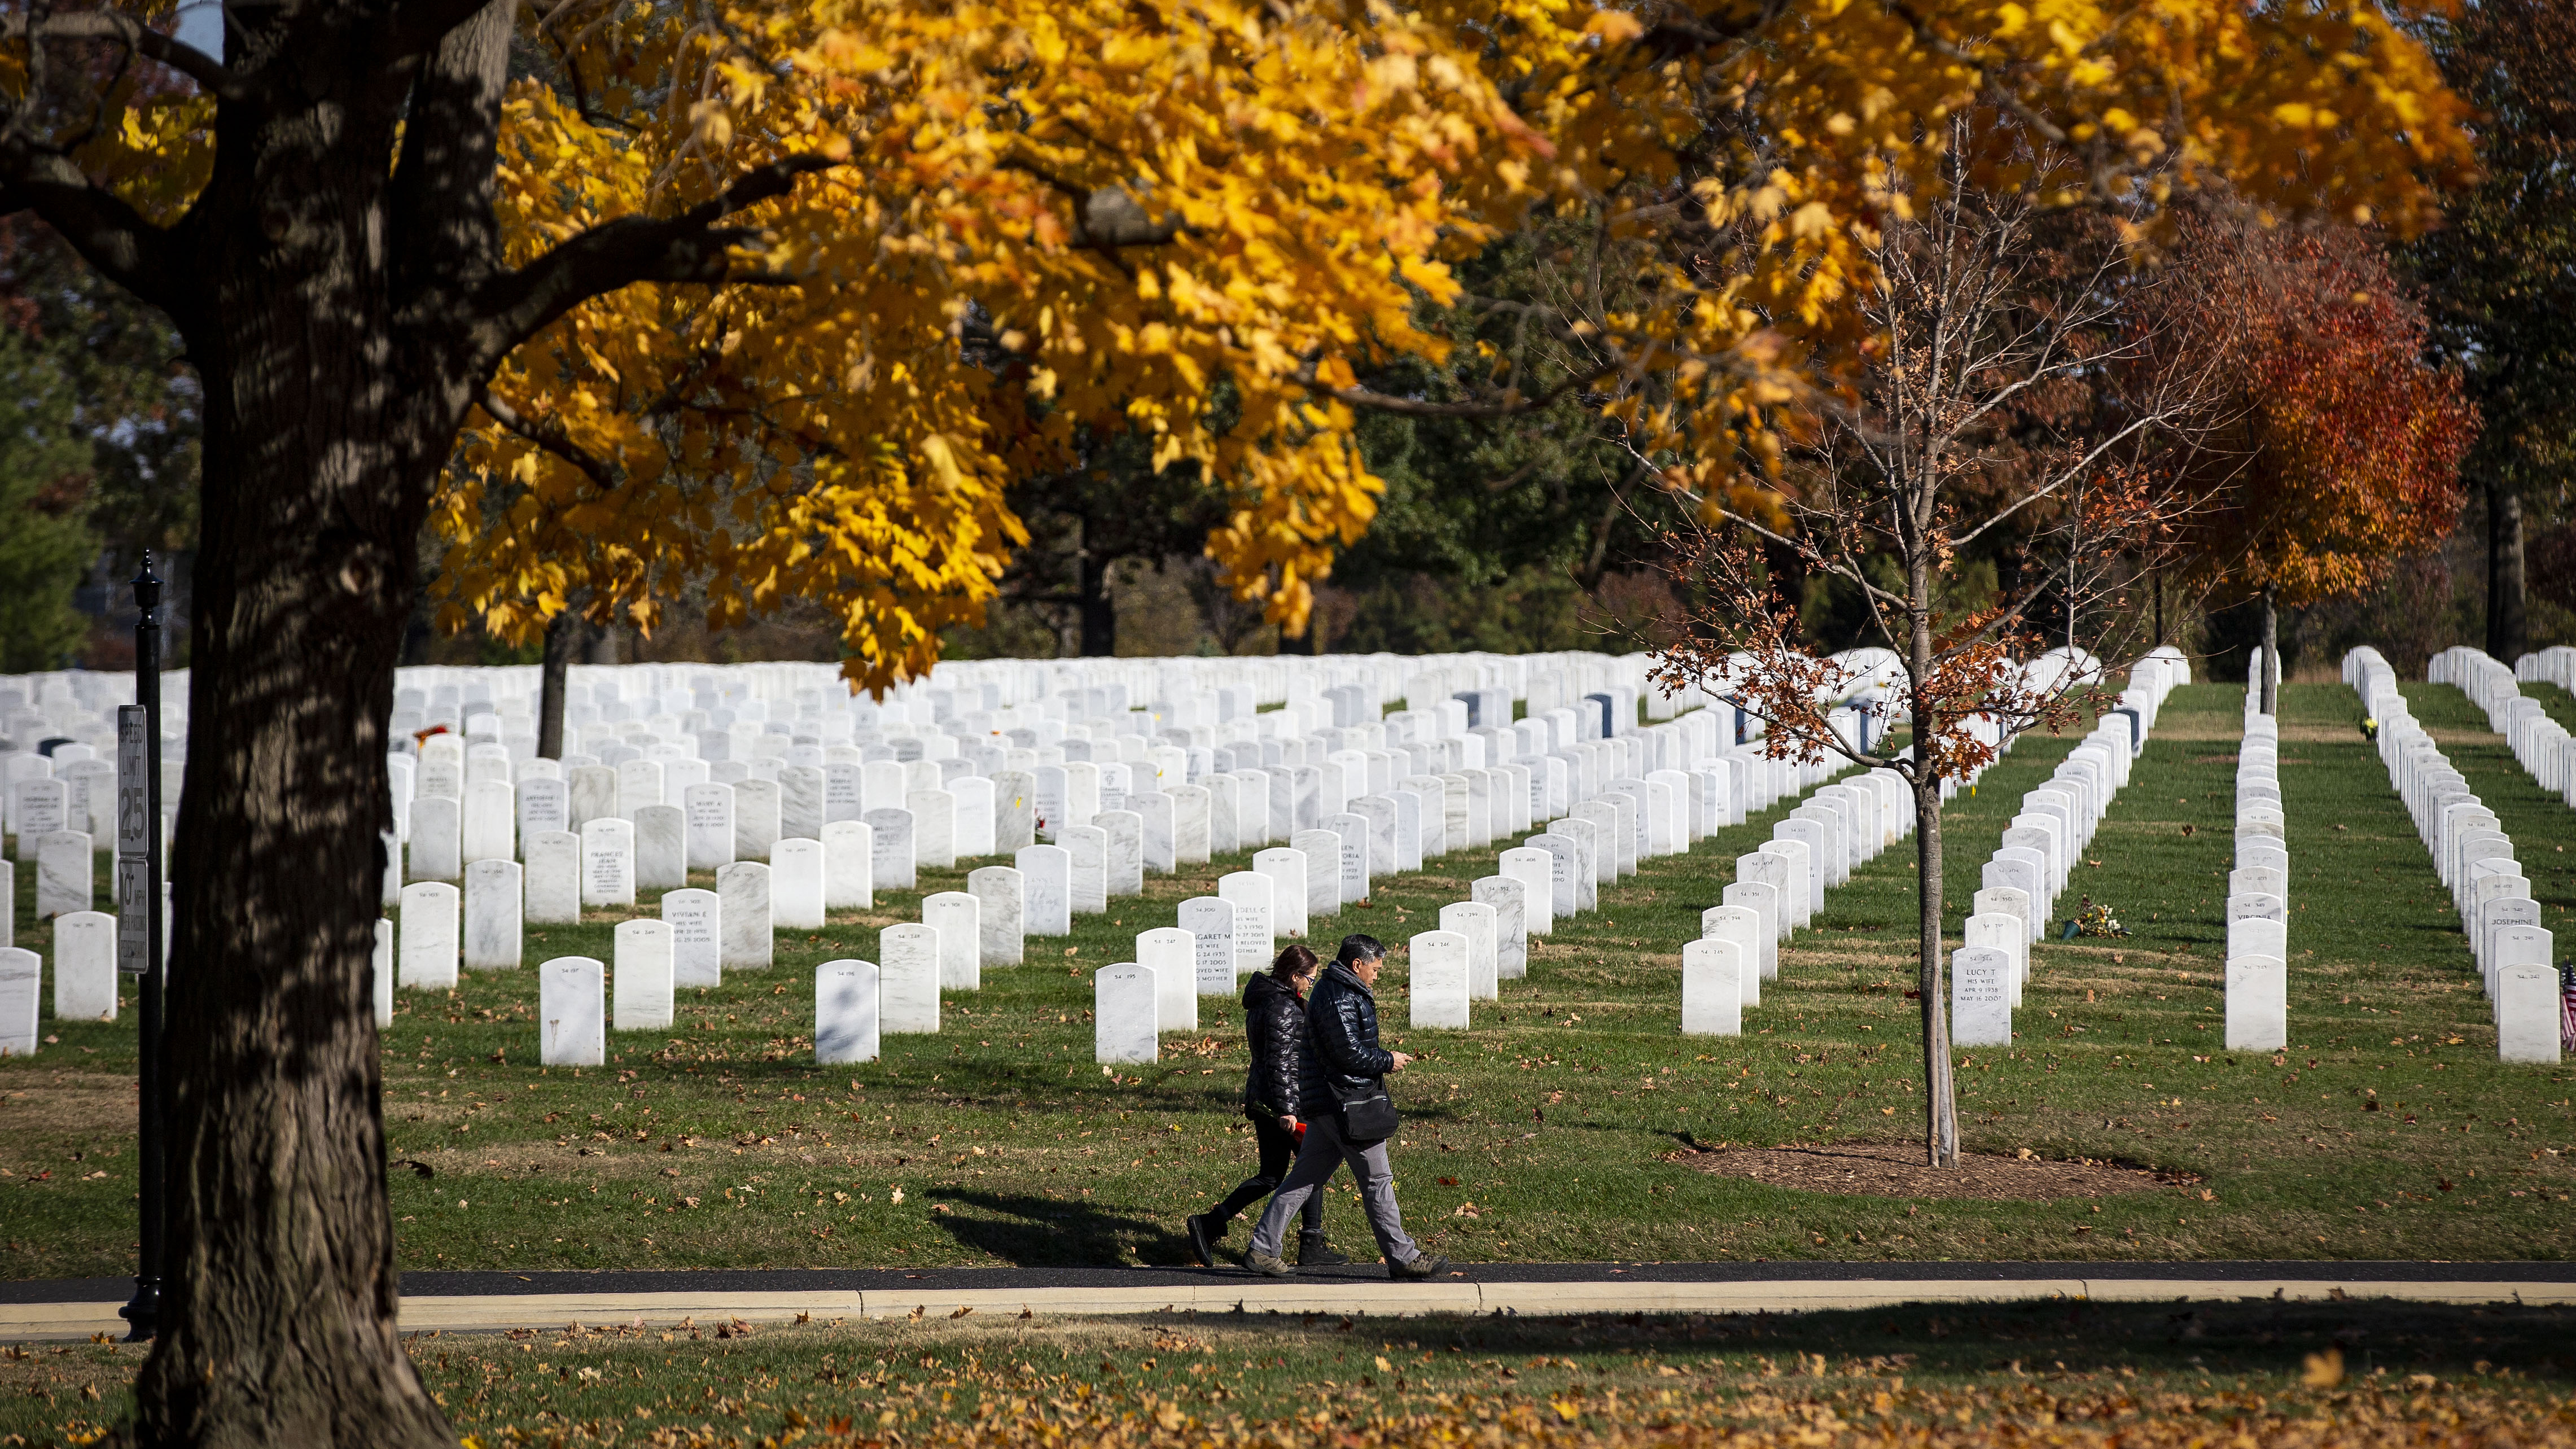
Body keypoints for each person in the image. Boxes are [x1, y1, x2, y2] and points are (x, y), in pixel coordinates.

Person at [1242, 934, 1451, 1280]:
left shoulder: (1335, 991)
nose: (1378, 974)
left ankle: (1263, 1248)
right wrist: (1387, 1060)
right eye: (1376, 968)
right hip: (1346, 1104)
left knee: (1304, 1178)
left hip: (1329, 1103)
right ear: (1358, 965)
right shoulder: (1339, 996)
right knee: (1378, 1180)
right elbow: (1348, 1053)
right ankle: (1404, 1257)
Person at [1184, 945, 1351, 1268]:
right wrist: (1289, 1109)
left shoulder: (1266, 1000)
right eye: (1310, 980)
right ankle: (1310, 1242)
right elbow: (1281, 1062)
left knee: (1273, 1175)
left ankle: (1213, 1222)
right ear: (1294, 976)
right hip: (1282, 1104)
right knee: (1310, 1165)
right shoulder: (1282, 1007)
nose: (1310, 986)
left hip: (1265, 1099)